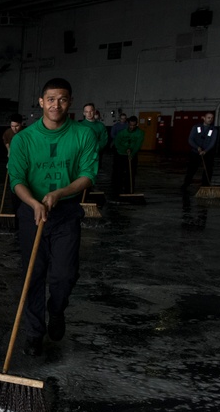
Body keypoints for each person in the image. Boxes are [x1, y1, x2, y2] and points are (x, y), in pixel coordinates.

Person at [8, 78, 98, 356]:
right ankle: (35, 332)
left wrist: (59, 193)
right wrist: (33, 202)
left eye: (61, 99)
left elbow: (87, 176)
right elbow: (17, 179)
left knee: (64, 275)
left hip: (66, 211)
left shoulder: (83, 135)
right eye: (50, 99)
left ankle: (56, 309)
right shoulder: (23, 138)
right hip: (31, 212)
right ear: (40, 102)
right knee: (33, 275)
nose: (55, 105)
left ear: (69, 101)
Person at [182, 112, 219, 189]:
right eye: (208, 117)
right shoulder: (196, 127)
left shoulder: (213, 130)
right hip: (195, 152)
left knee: (208, 170)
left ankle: (205, 187)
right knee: (192, 169)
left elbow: (212, 142)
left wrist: (205, 151)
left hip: (208, 153)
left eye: (212, 118)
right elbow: (190, 139)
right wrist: (197, 148)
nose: (210, 119)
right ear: (204, 118)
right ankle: (186, 185)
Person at [112, 116, 143, 196]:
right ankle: (117, 190)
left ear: (137, 124)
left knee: (131, 173)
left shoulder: (140, 133)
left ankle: (129, 190)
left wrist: (131, 154)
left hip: (132, 155)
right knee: (118, 173)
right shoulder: (122, 133)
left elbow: (138, 145)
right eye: (130, 125)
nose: (132, 127)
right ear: (128, 124)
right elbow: (117, 143)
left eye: (134, 125)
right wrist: (125, 149)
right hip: (120, 155)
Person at [81, 103, 109, 184]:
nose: (89, 113)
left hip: (96, 155)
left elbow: (103, 140)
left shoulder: (100, 126)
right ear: (84, 113)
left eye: (91, 111)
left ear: (94, 111)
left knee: (94, 175)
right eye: (86, 112)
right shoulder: (80, 126)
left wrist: (95, 149)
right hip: (83, 156)